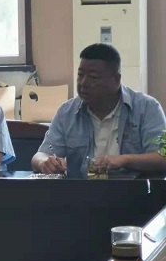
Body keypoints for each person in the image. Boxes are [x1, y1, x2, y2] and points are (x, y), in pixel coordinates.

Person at [32, 43, 166, 177]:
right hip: (82, 188)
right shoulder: (67, 112)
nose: (83, 83)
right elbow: (39, 156)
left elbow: (162, 157)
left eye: (93, 77)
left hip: (133, 188)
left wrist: (124, 160)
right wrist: (45, 162)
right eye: (80, 75)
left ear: (116, 80)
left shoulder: (146, 108)